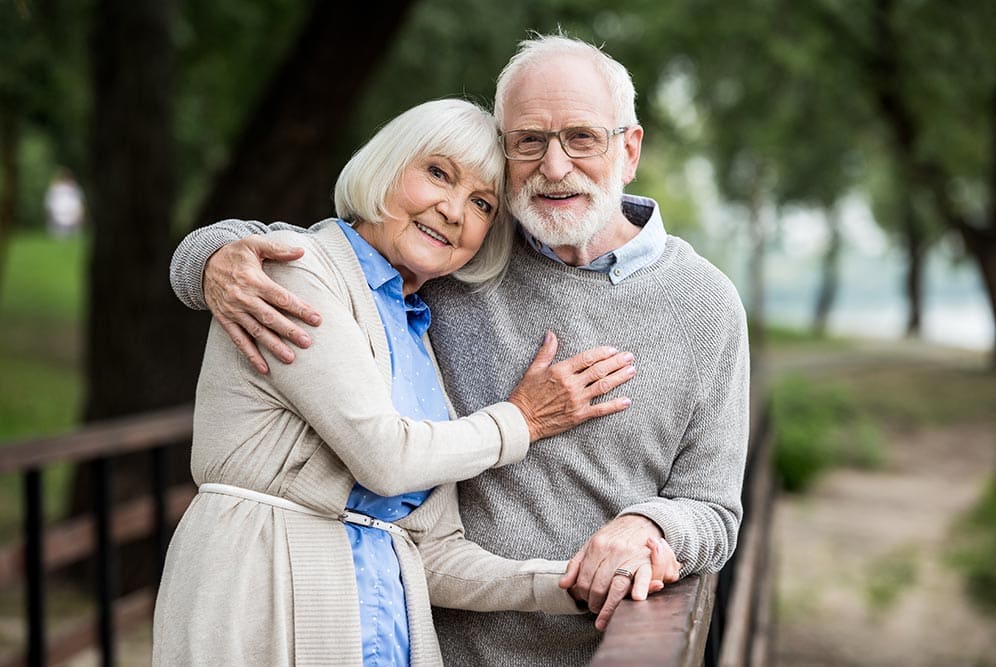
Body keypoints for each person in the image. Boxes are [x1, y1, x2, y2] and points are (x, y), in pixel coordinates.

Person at [169, 35, 749, 666]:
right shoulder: (459, 266)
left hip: (602, 648)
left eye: (581, 137)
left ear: (629, 148)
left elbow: (714, 508)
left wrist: (653, 529)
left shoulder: (706, 304)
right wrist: (210, 257)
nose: (555, 166)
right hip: (427, 639)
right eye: (529, 140)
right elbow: (320, 251)